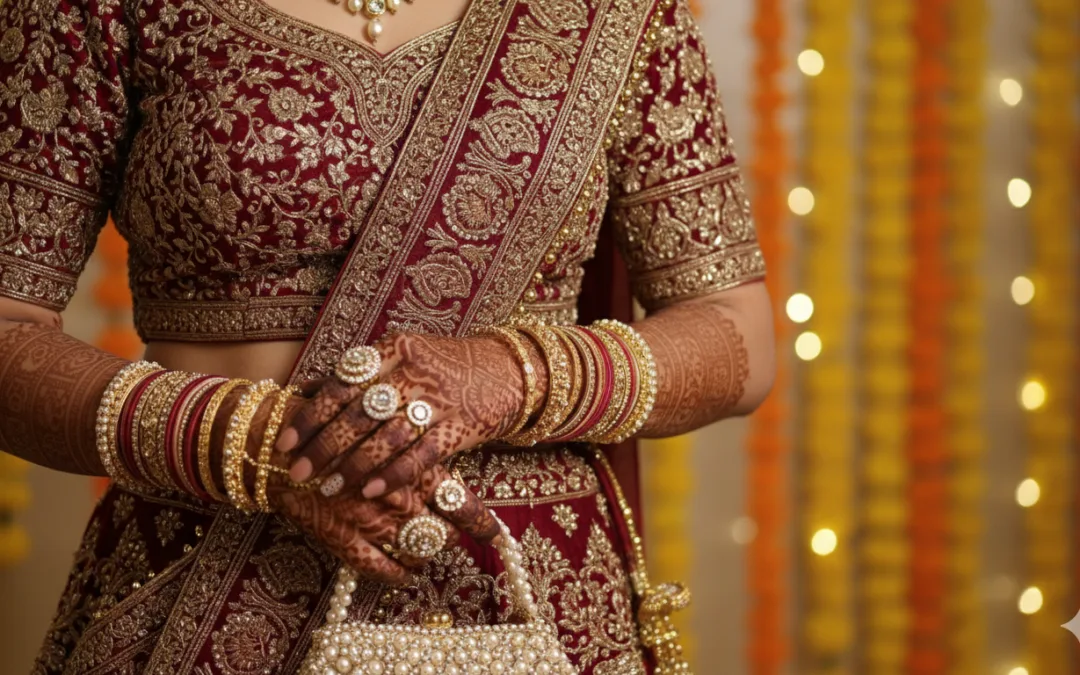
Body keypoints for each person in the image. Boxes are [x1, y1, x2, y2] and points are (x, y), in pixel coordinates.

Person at [0, 0, 775, 671]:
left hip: (532, 599)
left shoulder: (613, 13)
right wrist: (251, 441)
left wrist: (515, 375)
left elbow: (737, 336)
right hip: (206, 581)